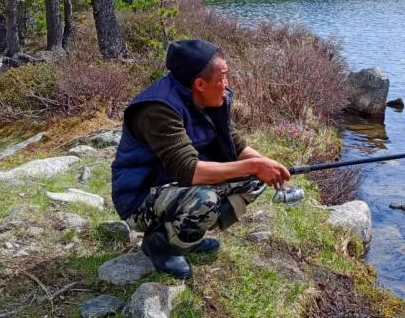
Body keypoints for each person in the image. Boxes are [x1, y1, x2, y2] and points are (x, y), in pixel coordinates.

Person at [112, 38, 291, 279]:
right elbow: (190, 171)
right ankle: (163, 246)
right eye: (222, 78)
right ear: (199, 84)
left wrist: (269, 166)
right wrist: (255, 165)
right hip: (139, 198)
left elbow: (236, 146)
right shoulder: (158, 109)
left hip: (174, 188)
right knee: (204, 200)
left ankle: (188, 235)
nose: (227, 85)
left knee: (255, 179)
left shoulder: (210, 99)